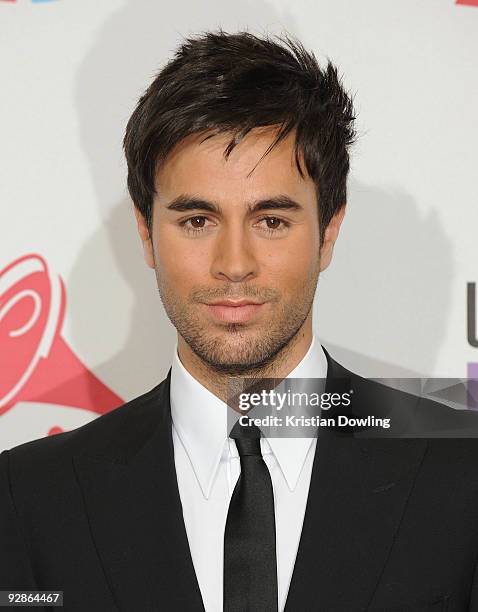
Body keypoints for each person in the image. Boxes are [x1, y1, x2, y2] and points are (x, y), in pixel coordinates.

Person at [1, 30, 478, 612]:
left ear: (328, 232)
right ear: (147, 233)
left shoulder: (461, 473)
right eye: (198, 221)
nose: (234, 265)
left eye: (272, 221)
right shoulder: (29, 498)